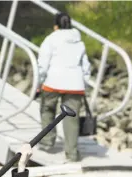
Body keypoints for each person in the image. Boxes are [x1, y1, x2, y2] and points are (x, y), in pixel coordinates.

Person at [36, 12, 91, 162]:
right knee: (71, 119)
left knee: (47, 110)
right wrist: (84, 82)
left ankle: (47, 142)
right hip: (75, 84)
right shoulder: (79, 42)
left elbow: (42, 64)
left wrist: (39, 82)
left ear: (56, 26)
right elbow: (86, 66)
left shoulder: (50, 39)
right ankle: (72, 154)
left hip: (52, 82)